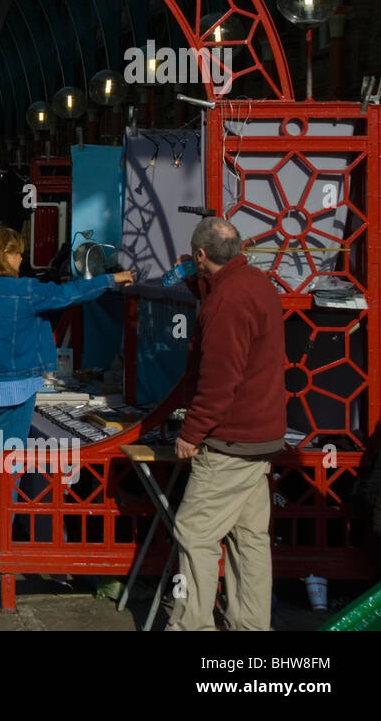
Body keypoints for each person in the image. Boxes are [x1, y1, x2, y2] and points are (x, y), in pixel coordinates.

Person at [0, 226, 132, 558]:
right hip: (15, 390)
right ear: (4, 255)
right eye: (17, 253)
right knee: (5, 465)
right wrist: (111, 280)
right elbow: (69, 294)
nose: (20, 260)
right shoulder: (26, 291)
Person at [166, 217, 286, 632]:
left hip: (230, 440)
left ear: (200, 256)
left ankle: (191, 625)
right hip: (261, 436)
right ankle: (251, 626)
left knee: (194, 533)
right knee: (248, 538)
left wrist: (191, 432)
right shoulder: (253, 283)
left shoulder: (226, 301)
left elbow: (220, 380)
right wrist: (197, 282)